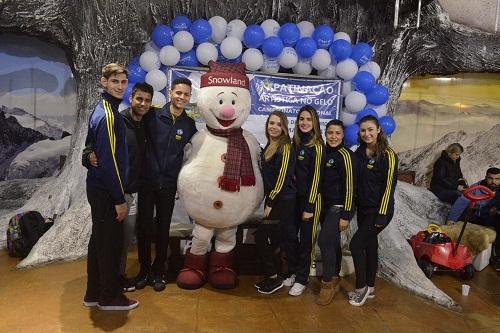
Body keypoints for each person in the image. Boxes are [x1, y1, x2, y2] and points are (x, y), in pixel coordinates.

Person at [83, 82, 154, 292]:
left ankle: (117, 276)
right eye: (139, 99)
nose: (143, 104)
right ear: (131, 98)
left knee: (123, 239)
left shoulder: (148, 122)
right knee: (111, 239)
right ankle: (108, 283)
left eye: (147, 100)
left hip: (137, 190)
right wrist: (87, 156)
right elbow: (93, 146)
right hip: (117, 192)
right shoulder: (117, 120)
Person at [132, 77, 197, 292]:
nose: (181, 97)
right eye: (178, 93)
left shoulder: (189, 125)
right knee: (143, 228)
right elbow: (129, 126)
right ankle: (143, 271)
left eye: (186, 94)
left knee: (162, 229)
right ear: (170, 92)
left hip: (168, 185)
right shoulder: (153, 114)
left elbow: (199, 150)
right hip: (147, 182)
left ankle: (159, 271)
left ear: (189, 97)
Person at [82, 63, 138, 311]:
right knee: (109, 246)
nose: (119, 86)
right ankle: (109, 297)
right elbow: (110, 163)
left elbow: (91, 146)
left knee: (99, 242)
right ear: (103, 82)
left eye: (123, 82)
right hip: (106, 191)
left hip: (99, 188)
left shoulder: (105, 109)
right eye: (114, 81)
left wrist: (87, 154)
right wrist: (119, 199)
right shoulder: (107, 114)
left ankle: (93, 293)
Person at [349, 115, 398, 307]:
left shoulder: (388, 155)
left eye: (370, 129)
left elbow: (389, 188)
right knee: (370, 247)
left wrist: (382, 214)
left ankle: (360, 289)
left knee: (355, 245)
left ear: (378, 130)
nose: (367, 134)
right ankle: (370, 287)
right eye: (363, 131)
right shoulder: (358, 153)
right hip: (363, 209)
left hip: (380, 211)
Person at [254, 111, 296, 294]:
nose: (274, 127)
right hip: (272, 199)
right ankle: (277, 276)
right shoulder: (269, 147)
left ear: (284, 127)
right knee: (276, 238)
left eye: (279, 124)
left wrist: (270, 202)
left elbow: (283, 177)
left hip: (283, 200)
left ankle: (274, 276)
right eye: (271, 123)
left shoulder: (285, 146)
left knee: (261, 236)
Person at [317, 119, 356, 305]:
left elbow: (351, 187)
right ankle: (334, 277)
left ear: (343, 135)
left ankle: (327, 283)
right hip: (324, 207)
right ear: (326, 134)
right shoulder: (323, 152)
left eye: (337, 133)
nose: (333, 137)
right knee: (331, 242)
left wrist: (346, 215)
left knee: (323, 240)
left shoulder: (346, 155)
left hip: (338, 207)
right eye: (330, 133)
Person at [287, 105, 324, 297]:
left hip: (311, 201)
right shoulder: (295, 143)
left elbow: (316, 178)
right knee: (291, 236)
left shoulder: (317, 146)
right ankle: (293, 271)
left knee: (306, 241)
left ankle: (302, 279)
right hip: (294, 199)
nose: (305, 122)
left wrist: (309, 207)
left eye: (309, 119)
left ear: (315, 122)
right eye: (302, 119)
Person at [446, 167, 500, 270]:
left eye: (497, 179)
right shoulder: (477, 187)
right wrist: (451, 219)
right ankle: (455, 254)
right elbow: (462, 201)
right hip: (477, 215)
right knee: (463, 214)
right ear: (485, 178)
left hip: (493, 217)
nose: (493, 181)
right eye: (490, 178)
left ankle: (497, 257)